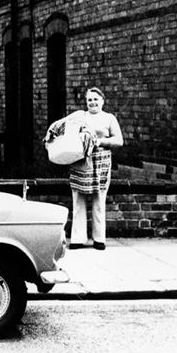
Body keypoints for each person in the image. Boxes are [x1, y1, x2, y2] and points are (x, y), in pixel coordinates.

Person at [44, 87, 123, 250]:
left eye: (96, 99)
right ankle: (78, 239)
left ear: (102, 101)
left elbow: (119, 141)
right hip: (80, 160)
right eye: (90, 100)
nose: (93, 103)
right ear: (86, 102)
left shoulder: (109, 118)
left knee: (99, 200)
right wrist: (50, 134)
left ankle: (99, 239)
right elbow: (59, 125)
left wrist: (99, 141)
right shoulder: (79, 116)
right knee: (78, 200)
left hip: (100, 162)